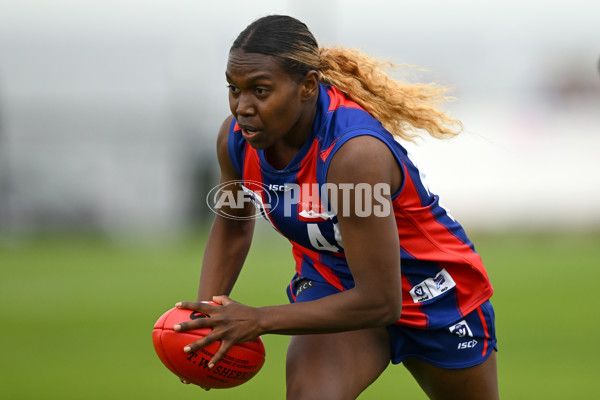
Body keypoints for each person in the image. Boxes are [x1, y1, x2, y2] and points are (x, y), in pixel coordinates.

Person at [173, 15, 499, 399]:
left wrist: (258, 319)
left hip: (433, 293)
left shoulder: (353, 156)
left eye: (260, 91)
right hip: (334, 284)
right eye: (234, 89)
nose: (242, 107)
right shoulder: (236, 140)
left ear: (308, 86)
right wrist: (206, 323)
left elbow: (380, 301)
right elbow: (233, 224)